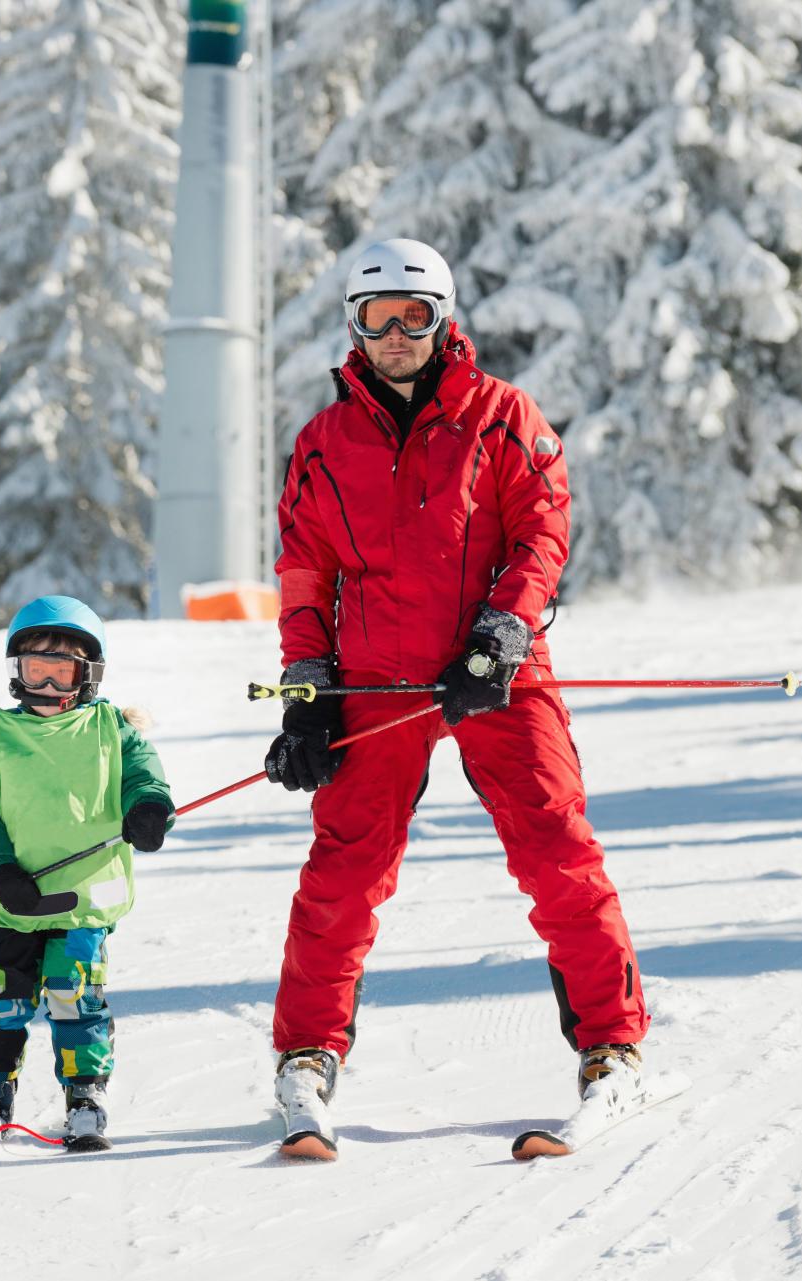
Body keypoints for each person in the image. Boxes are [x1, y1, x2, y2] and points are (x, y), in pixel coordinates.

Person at [261, 238, 650, 1157]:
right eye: (375, 320)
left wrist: (500, 636)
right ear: (353, 327)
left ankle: (612, 1048)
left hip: (495, 675)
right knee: (344, 870)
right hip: (378, 679)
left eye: (414, 318)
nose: (395, 337)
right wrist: (307, 690)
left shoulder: (502, 415)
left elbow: (542, 533)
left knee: (557, 847)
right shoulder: (323, 443)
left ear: (442, 321)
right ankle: (307, 1052)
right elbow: (304, 574)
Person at [0, 595, 175, 1152]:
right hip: (16, 900)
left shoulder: (112, 729)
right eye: (35, 672)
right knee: (5, 999)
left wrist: (147, 808)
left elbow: (145, 777)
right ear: (16, 673)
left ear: (88, 675)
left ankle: (85, 1096)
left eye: (61, 673)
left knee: (75, 994)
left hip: (83, 899)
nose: (47, 688)